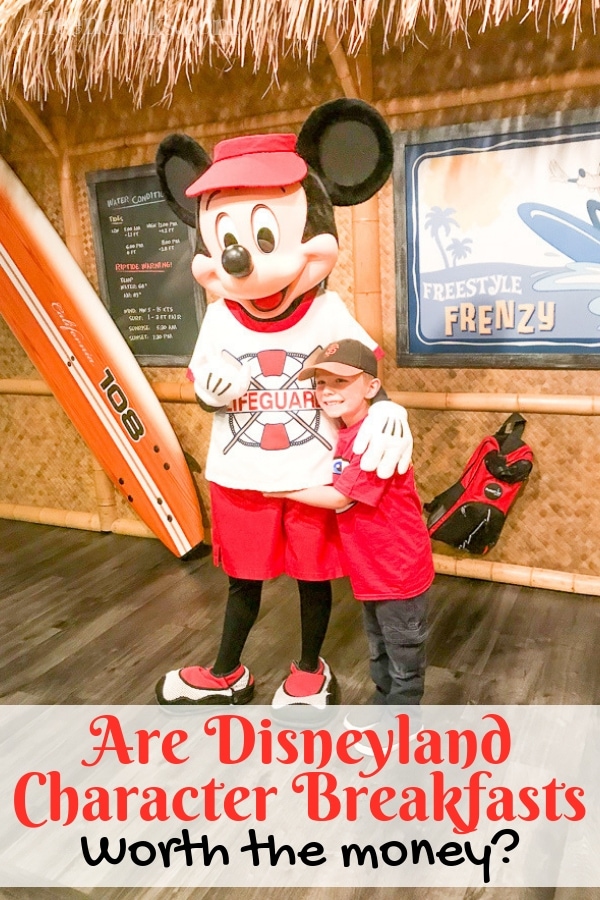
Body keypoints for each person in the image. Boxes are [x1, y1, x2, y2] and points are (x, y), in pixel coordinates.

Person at [267, 338, 435, 708]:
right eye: (321, 383)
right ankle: (383, 710)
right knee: (379, 652)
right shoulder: (346, 432)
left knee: (404, 664)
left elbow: (340, 497)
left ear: (372, 387)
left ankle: (401, 732)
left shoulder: (375, 436)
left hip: (398, 574)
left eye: (341, 382)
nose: (328, 391)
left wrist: (279, 491)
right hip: (372, 572)